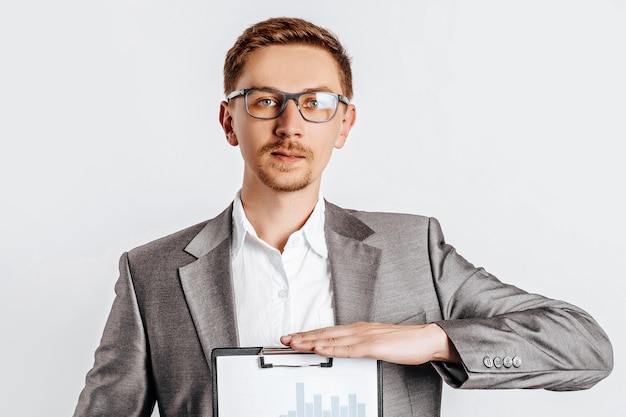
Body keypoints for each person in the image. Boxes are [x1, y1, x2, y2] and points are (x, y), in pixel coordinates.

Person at [73, 17, 613, 417]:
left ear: (344, 124)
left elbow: (585, 348)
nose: (290, 124)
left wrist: (430, 339)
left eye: (316, 102)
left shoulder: (414, 249)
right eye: (265, 101)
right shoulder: (151, 272)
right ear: (229, 120)